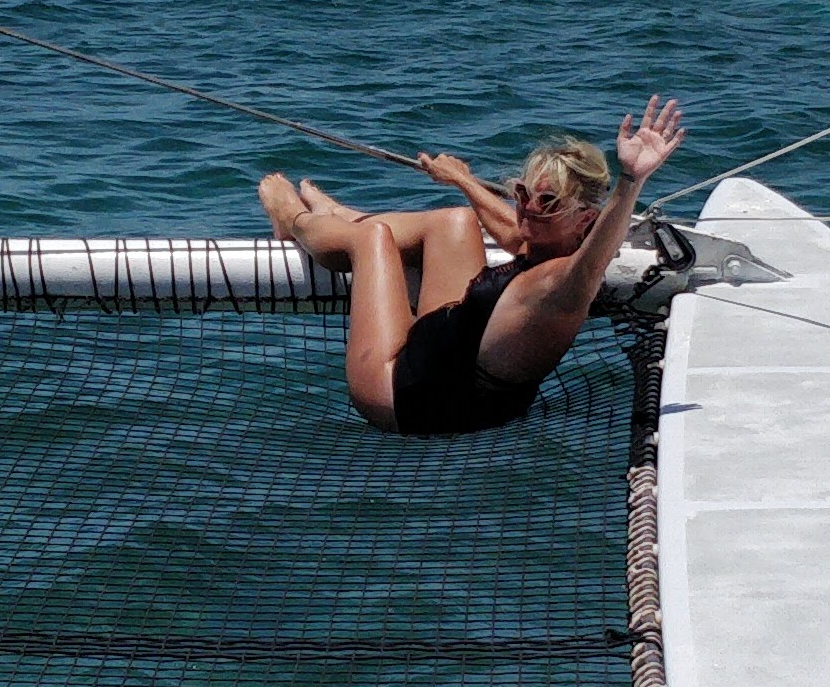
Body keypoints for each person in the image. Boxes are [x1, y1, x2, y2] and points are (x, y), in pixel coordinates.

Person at [259, 97, 683, 436]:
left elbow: (594, 260)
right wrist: (463, 180)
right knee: (456, 221)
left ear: (585, 219)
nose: (529, 208)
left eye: (548, 202)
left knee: (373, 239)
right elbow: (514, 232)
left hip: (401, 393)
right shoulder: (543, 244)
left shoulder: (565, 284)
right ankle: (341, 217)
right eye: (523, 194)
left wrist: (631, 181)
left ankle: (292, 218)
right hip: (443, 353)